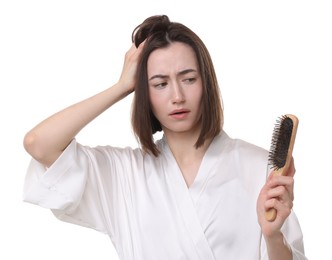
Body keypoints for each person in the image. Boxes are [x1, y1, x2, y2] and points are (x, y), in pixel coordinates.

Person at [23, 15, 307, 260]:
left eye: (189, 79)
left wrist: (273, 235)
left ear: (206, 83)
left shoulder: (258, 166)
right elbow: (39, 143)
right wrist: (121, 86)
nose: (177, 96)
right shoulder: (123, 174)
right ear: (145, 94)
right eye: (160, 84)